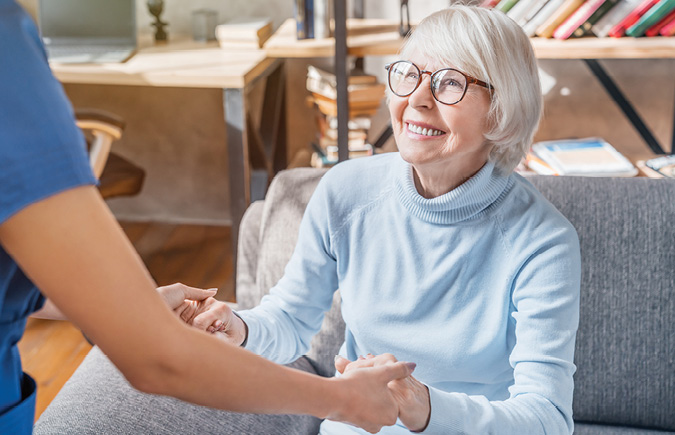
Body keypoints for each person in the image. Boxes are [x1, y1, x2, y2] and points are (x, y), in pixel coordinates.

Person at [0, 1, 416, 433]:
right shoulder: (8, 50)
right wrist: (340, 399)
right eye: (407, 76)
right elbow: (158, 359)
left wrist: (133, 306)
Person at [189, 4, 582, 434]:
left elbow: (548, 419)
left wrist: (424, 408)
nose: (416, 99)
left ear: (502, 109)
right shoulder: (345, 192)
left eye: (450, 82)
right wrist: (239, 327)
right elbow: (289, 318)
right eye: (408, 74)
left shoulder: (545, 242)